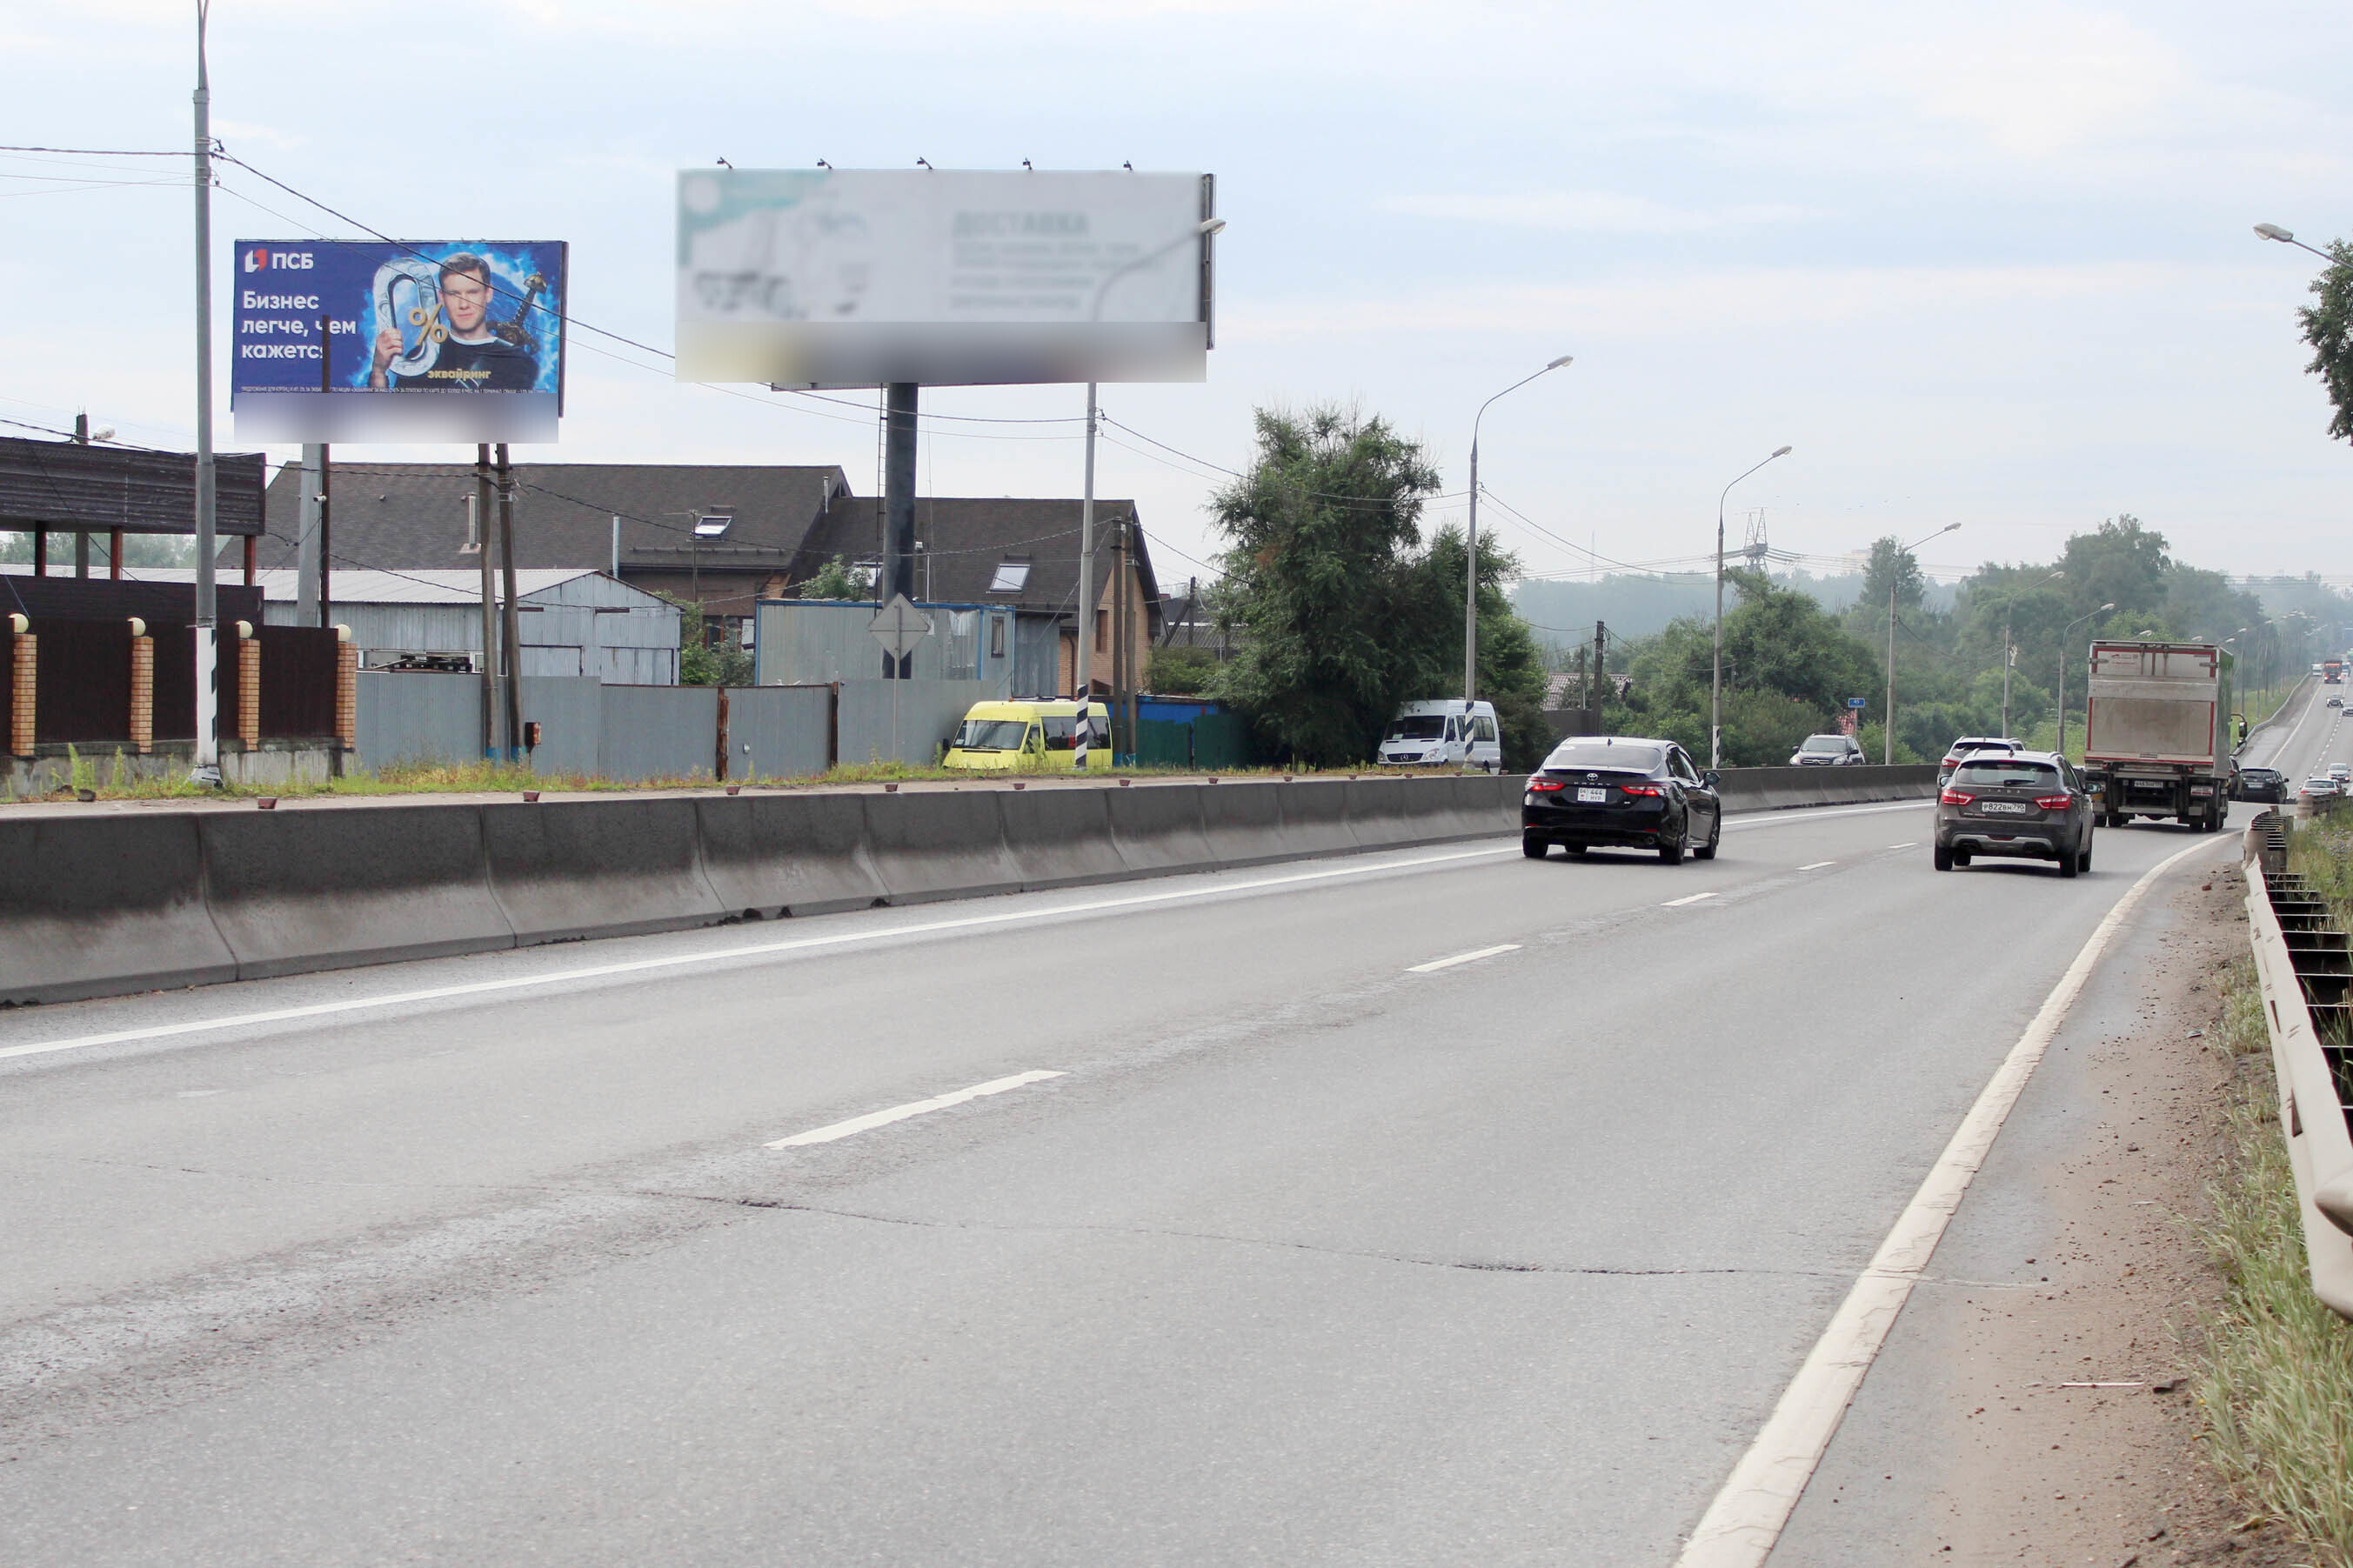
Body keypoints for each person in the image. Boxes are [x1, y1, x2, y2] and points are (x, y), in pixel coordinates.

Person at [369, 253, 539, 391]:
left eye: (472, 292)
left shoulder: (520, 362)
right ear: (442, 298)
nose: (463, 304)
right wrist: (378, 371)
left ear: (488, 293)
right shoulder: (419, 360)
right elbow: (390, 424)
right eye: (454, 294)